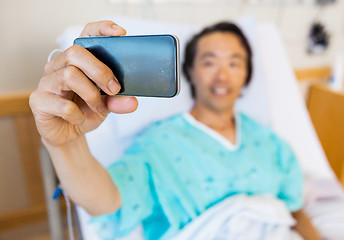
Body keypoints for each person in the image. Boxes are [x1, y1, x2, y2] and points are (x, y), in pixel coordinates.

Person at [29, 20, 321, 239]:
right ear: (191, 70)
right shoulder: (161, 144)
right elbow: (107, 202)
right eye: (209, 62)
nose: (222, 74)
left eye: (235, 63)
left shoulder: (271, 143)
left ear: (247, 75)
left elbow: (294, 210)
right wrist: (65, 144)